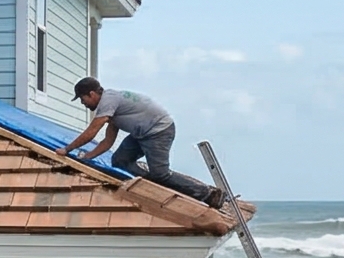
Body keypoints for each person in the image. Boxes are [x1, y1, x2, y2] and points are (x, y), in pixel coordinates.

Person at [65, 78, 226, 210]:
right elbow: (108, 141)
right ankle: (152, 182)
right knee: (120, 160)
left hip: (159, 131)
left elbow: (91, 132)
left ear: (92, 94)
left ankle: (208, 194)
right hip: (141, 134)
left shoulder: (108, 102)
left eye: (82, 98)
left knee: (160, 174)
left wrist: (66, 149)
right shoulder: (111, 105)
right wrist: (87, 157)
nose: (82, 103)